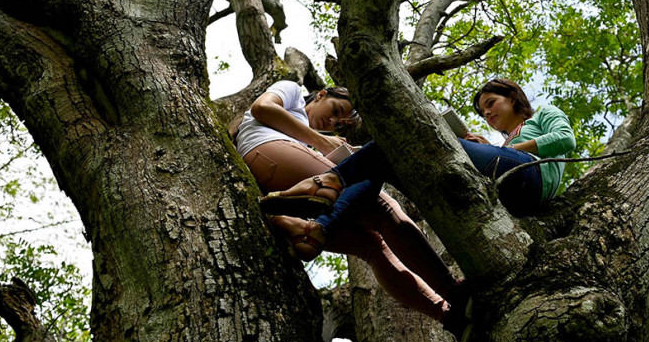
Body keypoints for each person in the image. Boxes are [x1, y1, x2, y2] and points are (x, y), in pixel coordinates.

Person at [261, 78, 576, 259]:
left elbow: (565, 139)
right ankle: (318, 231)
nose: (487, 112)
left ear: (514, 97)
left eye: (491, 103)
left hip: (530, 178)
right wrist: (482, 148)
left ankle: (330, 180)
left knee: (411, 133)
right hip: (508, 196)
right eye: (482, 110)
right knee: (387, 158)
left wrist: (499, 150)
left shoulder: (542, 116)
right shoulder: (502, 143)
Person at [237, 80, 465, 329]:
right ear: (321, 95)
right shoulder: (293, 91)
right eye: (335, 111)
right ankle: (455, 293)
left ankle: (450, 317)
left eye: (339, 124)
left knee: (372, 246)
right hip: (266, 149)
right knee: (382, 205)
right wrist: (324, 143)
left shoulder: (307, 139)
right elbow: (262, 107)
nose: (333, 123)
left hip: (278, 185)